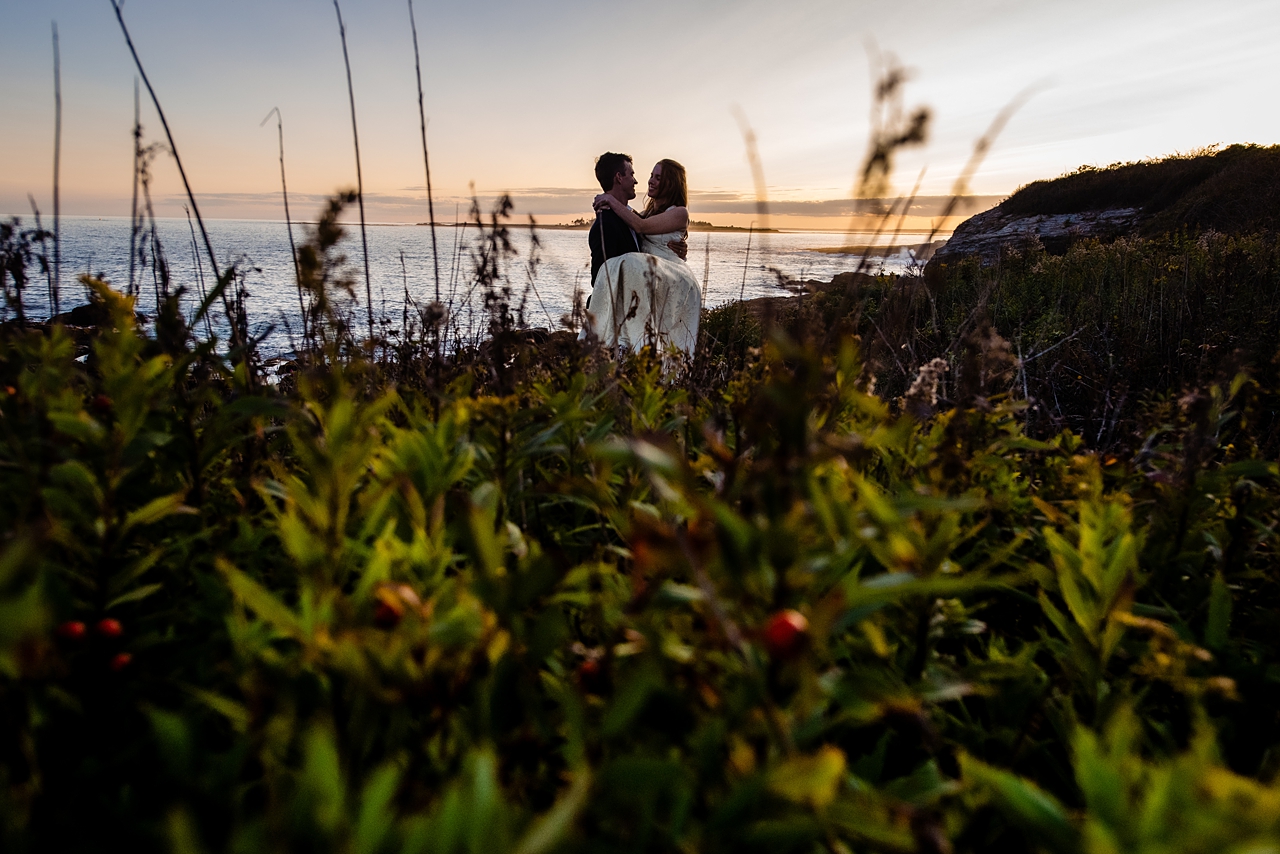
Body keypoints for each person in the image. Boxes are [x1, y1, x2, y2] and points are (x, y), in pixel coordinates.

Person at [584, 157, 701, 358]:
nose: (649, 181)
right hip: (650, 279)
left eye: (658, 177)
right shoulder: (644, 214)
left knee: (629, 262)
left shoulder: (679, 213)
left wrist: (609, 199)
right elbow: (633, 220)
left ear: (670, 183)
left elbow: (641, 227)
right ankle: (629, 348)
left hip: (671, 275)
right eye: (651, 176)